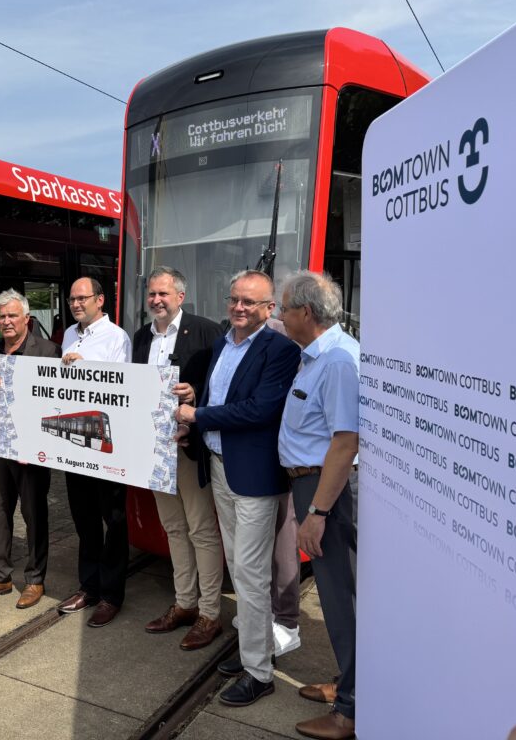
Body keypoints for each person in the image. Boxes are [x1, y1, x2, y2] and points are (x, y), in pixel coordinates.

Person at [176, 270, 300, 707]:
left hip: (253, 477)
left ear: (270, 309)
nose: (240, 308)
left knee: (249, 573)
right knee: (238, 565)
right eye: (234, 300)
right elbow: (217, 396)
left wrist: (199, 417)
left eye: (250, 302)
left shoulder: (280, 349)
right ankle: (254, 649)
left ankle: (259, 672)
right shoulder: (221, 343)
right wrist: (196, 402)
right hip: (220, 467)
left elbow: (261, 410)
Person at [277, 271, 359, 740]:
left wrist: (318, 514)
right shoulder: (315, 356)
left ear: (305, 313)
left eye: (285, 308)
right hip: (314, 487)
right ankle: (346, 682)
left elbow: (345, 444)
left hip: (327, 494)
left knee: (340, 598)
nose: (280, 315)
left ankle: (350, 711)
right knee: (335, 597)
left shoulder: (338, 361)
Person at [133, 267, 225, 650]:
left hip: (187, 447)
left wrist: (196, 393)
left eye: (164, 294)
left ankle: (210, 613)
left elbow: (224, 385)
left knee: (201, 529)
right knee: (173, 528)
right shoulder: (141, 336)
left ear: (180, 297)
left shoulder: (206, 332)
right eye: (152, 294)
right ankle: (184, 603)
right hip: (152, 449)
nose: (157, 300)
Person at [0, 289, 61, 608]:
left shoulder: (47, 351)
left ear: (26, 318)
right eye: (2, 317)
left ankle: (34, 580)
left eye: (12, 316)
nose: (6, 321)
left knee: (34, 513)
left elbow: (57, 401)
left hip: (30, 447)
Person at [56, 277, 132, 627]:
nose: (75, 304)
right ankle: (89, 586)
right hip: (74, 439)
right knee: (84, 518)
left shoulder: (116, 337)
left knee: (113, 520)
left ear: (100, 300)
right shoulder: (69, 334)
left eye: (82, 298)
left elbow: (120, 388)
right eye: (72, 298)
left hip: (106, 444)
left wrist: (84, 367)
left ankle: (112, 594)